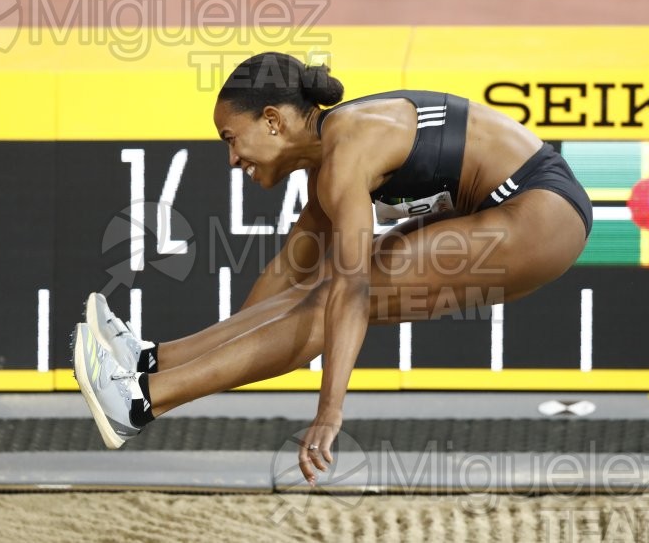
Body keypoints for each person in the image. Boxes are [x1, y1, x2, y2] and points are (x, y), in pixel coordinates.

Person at [72, 52, 592, 486]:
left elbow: (350, 294)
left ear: (272, 120)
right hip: (503, 207)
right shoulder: (330, 157)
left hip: (539, 214)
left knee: (334, 295)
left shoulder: (346, 155)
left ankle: (140, 402)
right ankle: (147, 365)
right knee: (314, 287)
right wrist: (208, 360)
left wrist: (329, 411)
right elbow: (283, 278)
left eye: (231, 139)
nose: (232, 159)